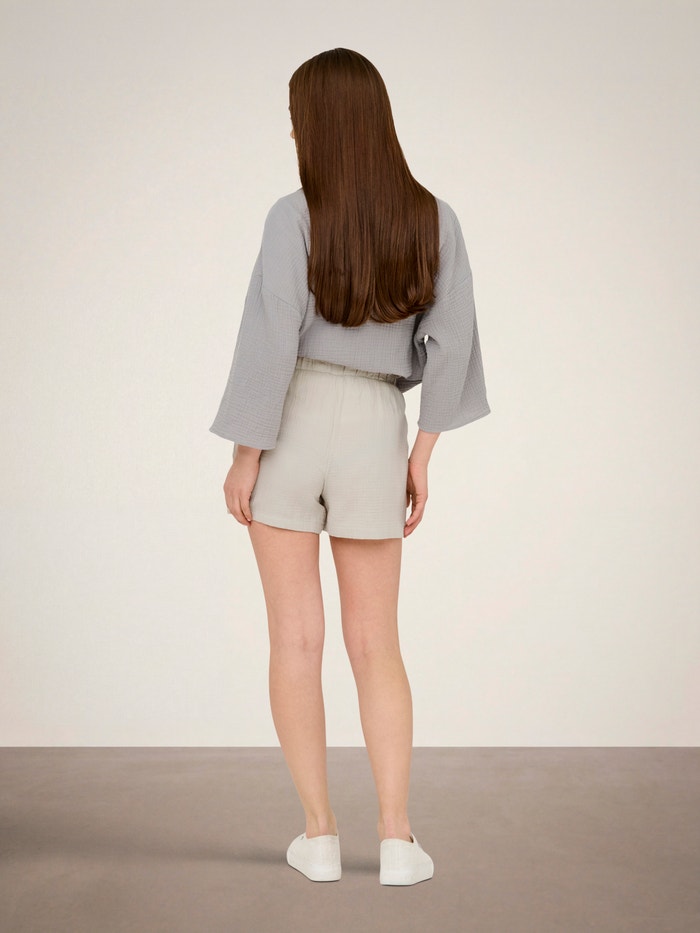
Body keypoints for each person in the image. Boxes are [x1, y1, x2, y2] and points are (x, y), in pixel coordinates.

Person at [209, 48, 491, 886]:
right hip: (375, 425)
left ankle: (320, 836)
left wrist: (246, 454)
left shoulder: (292, 215)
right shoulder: (433, 219)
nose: (293, 131)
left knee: (296, 639)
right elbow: (453, 343)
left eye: (297, 117)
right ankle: (398, 840)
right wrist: (422, 452)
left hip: (290, 421)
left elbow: (271, 334)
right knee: (377, 643)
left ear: (319, 123)